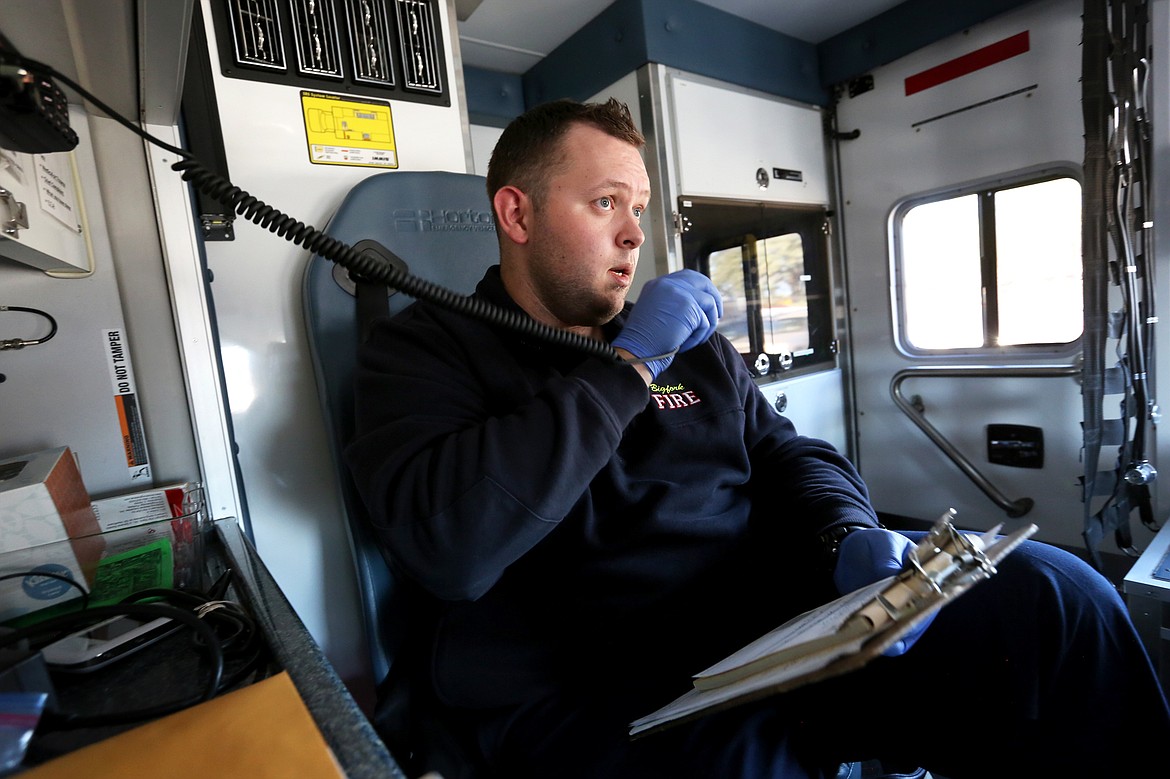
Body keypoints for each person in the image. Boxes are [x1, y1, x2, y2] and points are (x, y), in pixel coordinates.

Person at [346, 97, 1170, 779]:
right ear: (517, 212)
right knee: (754, 764)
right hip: (597, 680)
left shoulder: (693, 347)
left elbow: (787, 453)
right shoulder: (426, 350)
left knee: (1054, 595)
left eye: (637, 206)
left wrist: (846, 532)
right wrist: (627, 366)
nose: (634, 233)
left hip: (768, 625)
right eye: (605, 203)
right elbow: (451, 543)